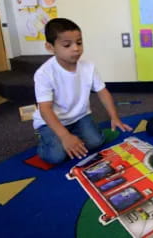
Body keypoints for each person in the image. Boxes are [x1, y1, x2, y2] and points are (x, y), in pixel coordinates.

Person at [32, 18, 132, 164]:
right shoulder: (44, 73)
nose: (76, 48)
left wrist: (114, 117)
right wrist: (64, 136)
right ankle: (44, 139)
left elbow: (103, 92)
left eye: (79, 42)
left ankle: (72, 134)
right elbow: (45, 110)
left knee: (96, 142)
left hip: (79, 117)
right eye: (67, 45)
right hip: (51, 121)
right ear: (50, 47)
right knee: (56, 156)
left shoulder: (88, 67)